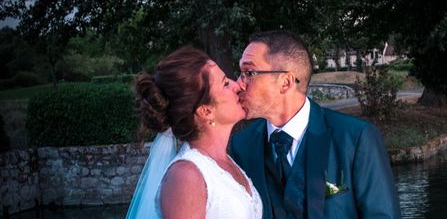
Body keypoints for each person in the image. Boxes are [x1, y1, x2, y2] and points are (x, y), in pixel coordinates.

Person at [230, 30, 401, 219]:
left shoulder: (355, 138)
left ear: (285, 82)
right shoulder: (241, 146)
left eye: (248, 73)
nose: (238, 84)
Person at [125, 46, 262, 219]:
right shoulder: (186, 176)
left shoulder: (227, 161)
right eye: (225, 83)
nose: (237, 85)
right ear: (205, 111)